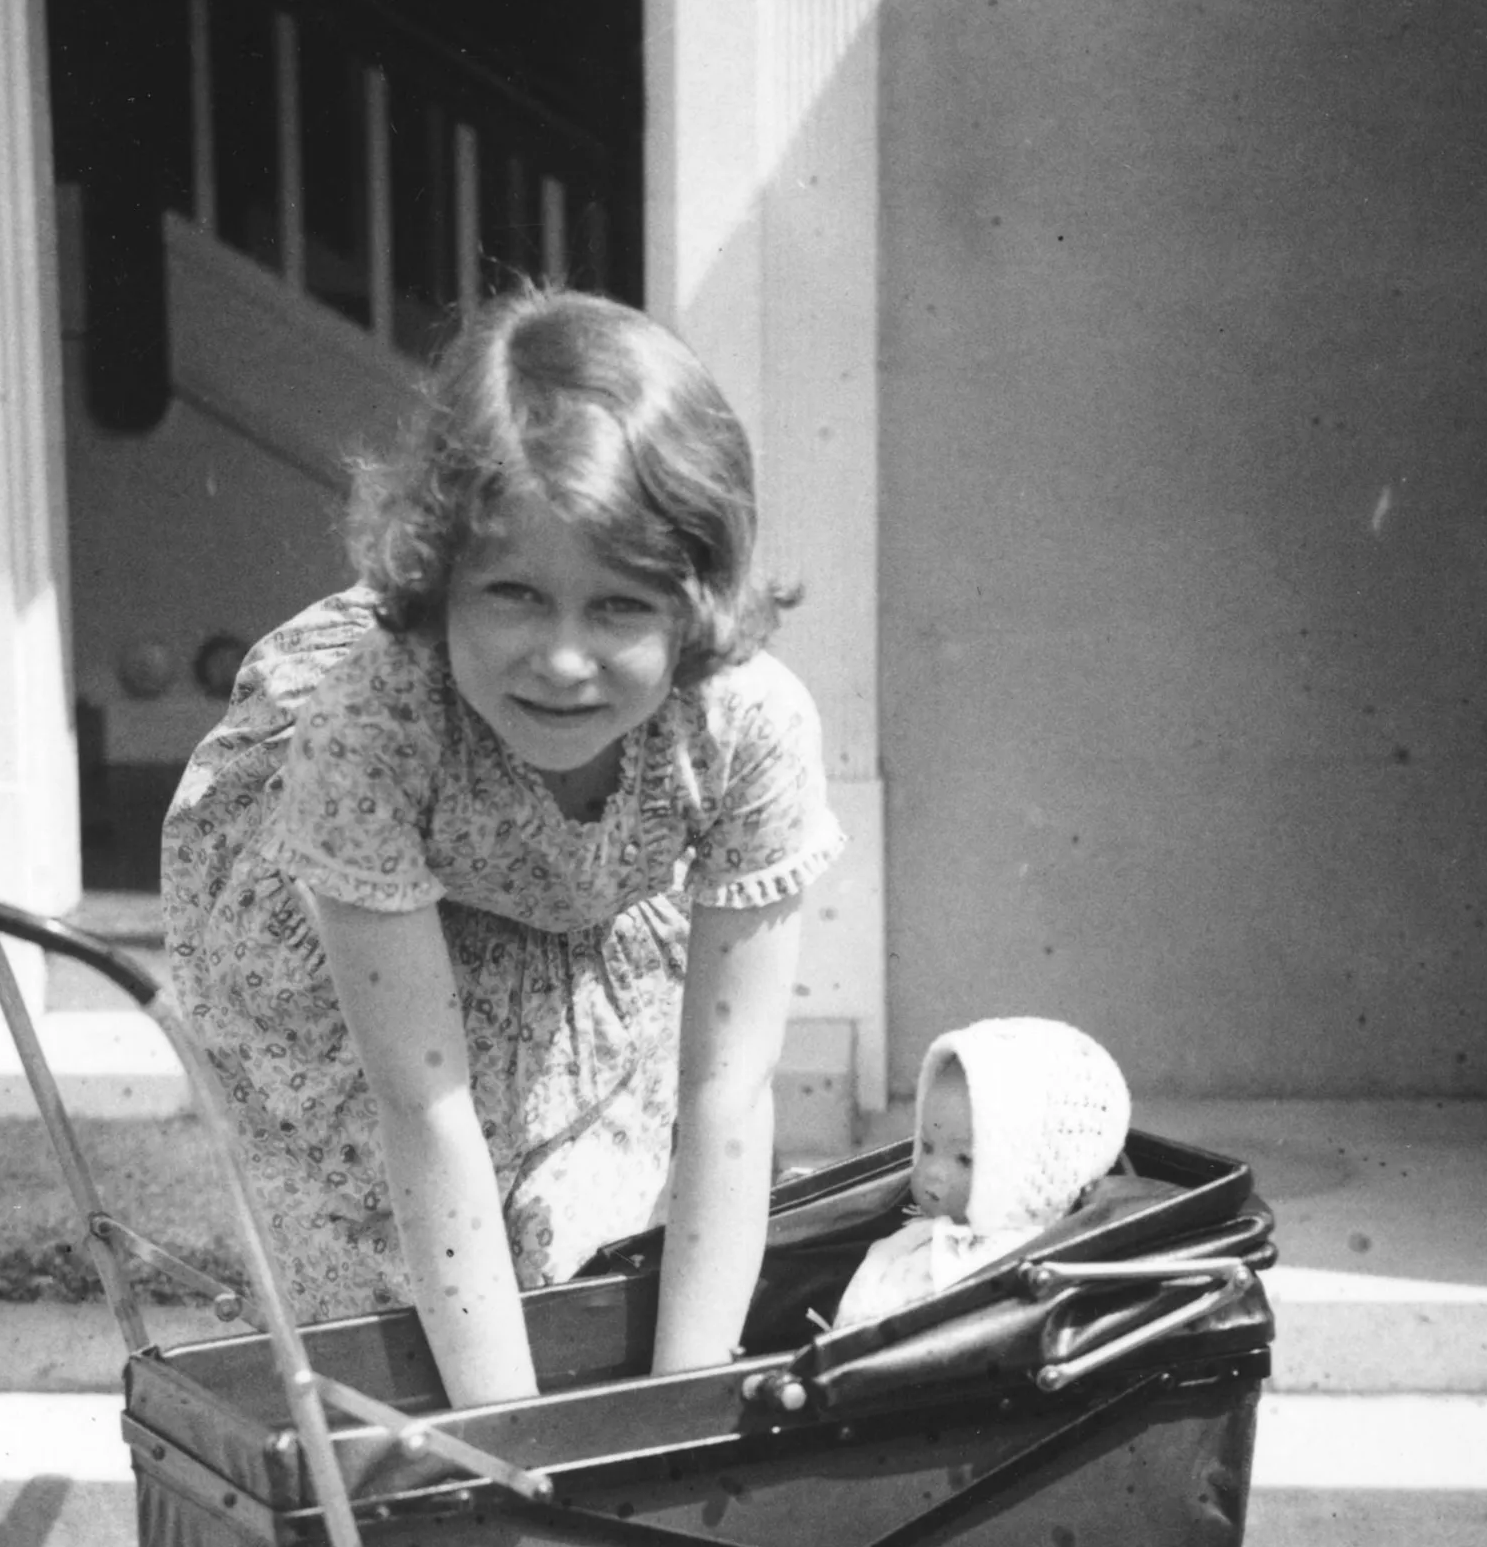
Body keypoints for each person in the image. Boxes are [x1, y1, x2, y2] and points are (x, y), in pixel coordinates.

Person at [160, 288, 843, 1407]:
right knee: (395, 1322)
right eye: (515, 594)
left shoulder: (750, 725)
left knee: (598, 1257)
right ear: (437, 584)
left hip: (585, 906)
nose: (563, 660)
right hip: (370, 945)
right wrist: (510, 1442)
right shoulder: (368, 723)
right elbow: (420, 1105)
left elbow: (728, 1088)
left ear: (697, 603)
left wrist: (686, 1412)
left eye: (620, 607)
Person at [829, 1019, 1131, 1332]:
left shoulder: (990, 1270)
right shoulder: (929, 1236)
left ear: (1028, 1180)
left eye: (964, 1159)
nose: (933, 1172)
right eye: (928, 1147)